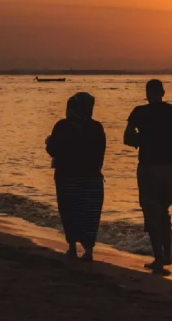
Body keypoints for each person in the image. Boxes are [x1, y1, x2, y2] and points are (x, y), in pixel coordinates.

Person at [124, 79, 172, 275]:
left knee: (151, 209)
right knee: (164, 210)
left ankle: (159, 258)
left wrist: (144, 139)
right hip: (168, 166)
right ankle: (166, 254)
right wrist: (169, 139)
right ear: (163, 92)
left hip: (148, 165)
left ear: (147, 94)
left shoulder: (139, 112)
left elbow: (127, 137)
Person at [45, 92, 107, 261]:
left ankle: (72, 248)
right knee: (89, 216)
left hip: (67, 177)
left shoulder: (62, 126)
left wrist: (48, 142)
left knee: (69, 213)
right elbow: (101, 152)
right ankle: (88, 251)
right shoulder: (96, 128)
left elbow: (53, 150)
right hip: (91, 178)